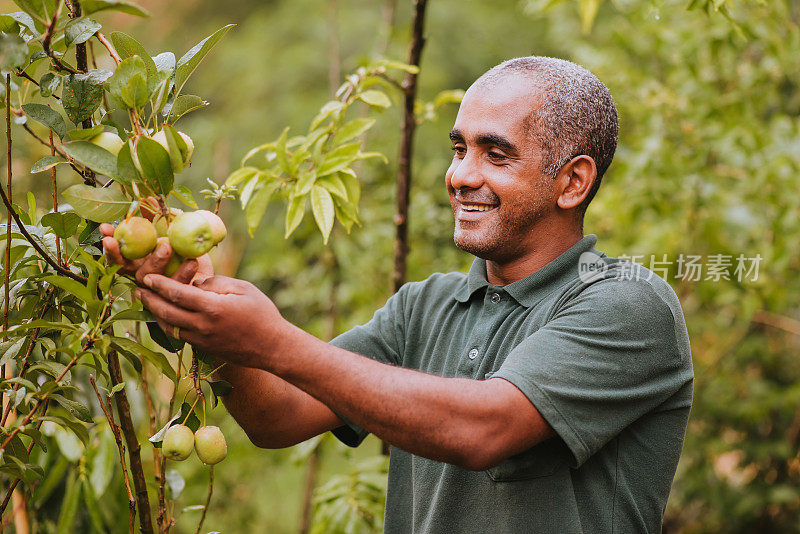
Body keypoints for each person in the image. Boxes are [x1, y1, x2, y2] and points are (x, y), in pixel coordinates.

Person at [102, 56, 694, 533]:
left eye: (496, 153)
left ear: (572, 182)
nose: (461, 175)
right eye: (459, 148)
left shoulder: (628, 304)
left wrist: (275, 340)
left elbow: (482, 430)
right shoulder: (424, 306)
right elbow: (277, 418)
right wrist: (202, 306)